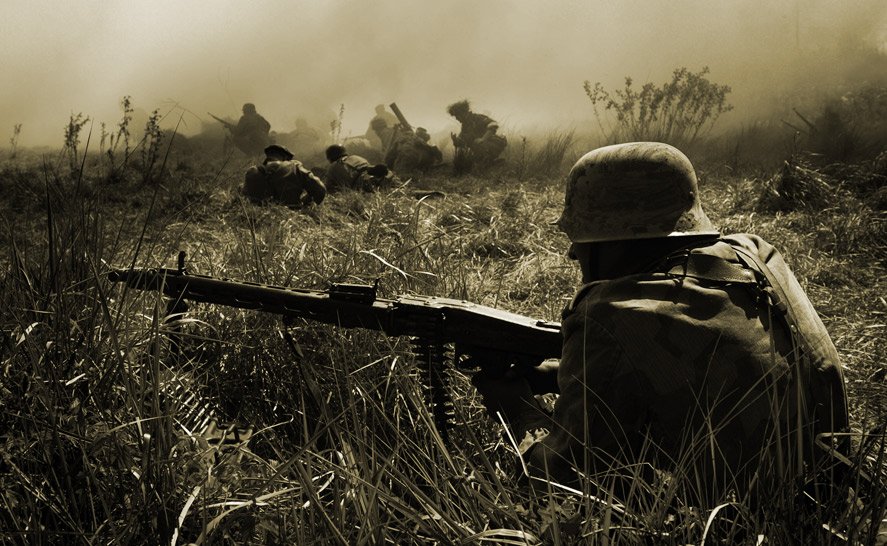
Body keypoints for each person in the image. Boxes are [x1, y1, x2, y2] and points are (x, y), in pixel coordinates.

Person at [471, 142, 848, 504]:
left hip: (737, 521)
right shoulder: (754, 254)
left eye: (584, 236)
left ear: (617, 239)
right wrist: (555, 374)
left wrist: (518, 410)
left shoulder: (612, 315)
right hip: (829, 487)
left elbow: (562, 482)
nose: (573, 251)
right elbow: (707, 366)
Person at [243, 145, 326, 208]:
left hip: (260, 217)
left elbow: (246, 197)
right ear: (285, 157)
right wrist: (306, 201)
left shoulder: (252, 171)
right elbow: (320, 189)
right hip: (292, 216)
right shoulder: (295, 167)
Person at [446, 100, 507, 172]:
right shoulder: (465, 126)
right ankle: (494, 163)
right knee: (471, 163)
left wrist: (483, 139)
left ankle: (489, 162)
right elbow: (463, 142)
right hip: (483, 146)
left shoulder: (477, 118)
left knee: (476, 144)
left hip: (496, 143)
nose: (457, 118)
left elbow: (493, 125)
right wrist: (456, 141)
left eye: (457, 116)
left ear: (463, 113)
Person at [324, 144, 397, 193]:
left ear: (330, 157)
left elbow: (327, 188)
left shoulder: (333, 167)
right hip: (372, 176)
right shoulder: (355, 157)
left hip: (360, 185)